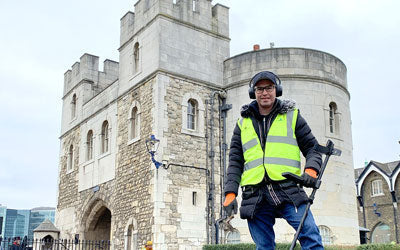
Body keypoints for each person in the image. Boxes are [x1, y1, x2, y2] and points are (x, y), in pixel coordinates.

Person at [223, 71, 324, 250]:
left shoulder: (292, 116)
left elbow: (312, 148)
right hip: (255, 194)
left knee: (310, 235)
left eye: (268, 87)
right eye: (259, 88)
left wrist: (311, 171)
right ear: (253, 92)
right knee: (263, 246)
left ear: (277, 90)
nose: (264, 92)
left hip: (288, 189)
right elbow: (235, 161)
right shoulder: (242, 124)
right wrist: (230, 193)